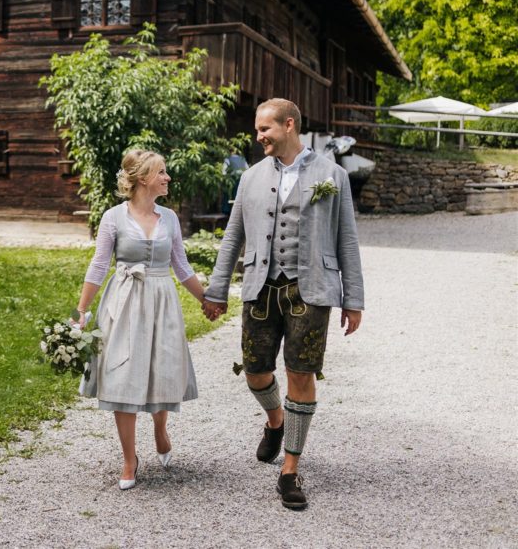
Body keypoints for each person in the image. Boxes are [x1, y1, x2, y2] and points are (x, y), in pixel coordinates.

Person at [202, 98, 364, 510]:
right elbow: (232, 236)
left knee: (301, 374)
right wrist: (217, 289)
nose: (258, 138)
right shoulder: (251, 177)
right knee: (255, 372)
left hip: (311, 289)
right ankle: (275, 422)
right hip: (261, 286)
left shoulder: (333, 175)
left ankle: (290, 468)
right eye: (258, 130)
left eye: (264, 129)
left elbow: (347, 239)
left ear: (288, 125)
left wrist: (354, 299)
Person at [74, 149, 208, 490]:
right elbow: (100, 265)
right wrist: (82, 310)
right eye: (161, 172)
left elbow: (182, 266)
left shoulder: (171, 218)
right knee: (122, 374)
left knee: (160, 369)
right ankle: (130, 458)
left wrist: (208, 301)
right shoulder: (113, 218)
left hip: (162, 300)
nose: (167, 177)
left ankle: (160, 428)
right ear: (143, 179)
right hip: (124, 300)